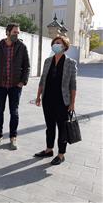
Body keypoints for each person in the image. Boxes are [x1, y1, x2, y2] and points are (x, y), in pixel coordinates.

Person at [35, 36, 77, 165]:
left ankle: (61, 154)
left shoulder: (70, 63)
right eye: (54, 43)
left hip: (62, 101)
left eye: (58, 43)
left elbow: (73, 85)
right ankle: (49, 149)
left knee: (62, 128)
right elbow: (43, 80)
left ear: (64, 46)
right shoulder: (48, 61)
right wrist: (38, 96)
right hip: (48, 99)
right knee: (50, 127)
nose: (55, 45)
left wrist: (72, 103)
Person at [0, 23, 30, 150]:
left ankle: (13, 138)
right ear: (7, 32)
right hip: (0, 85)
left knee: (14, 112)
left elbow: (26, 66)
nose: (16, 34)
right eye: (14, 32)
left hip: (15, 86)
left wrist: (23, 81)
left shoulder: (22, 47)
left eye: (18, 33)